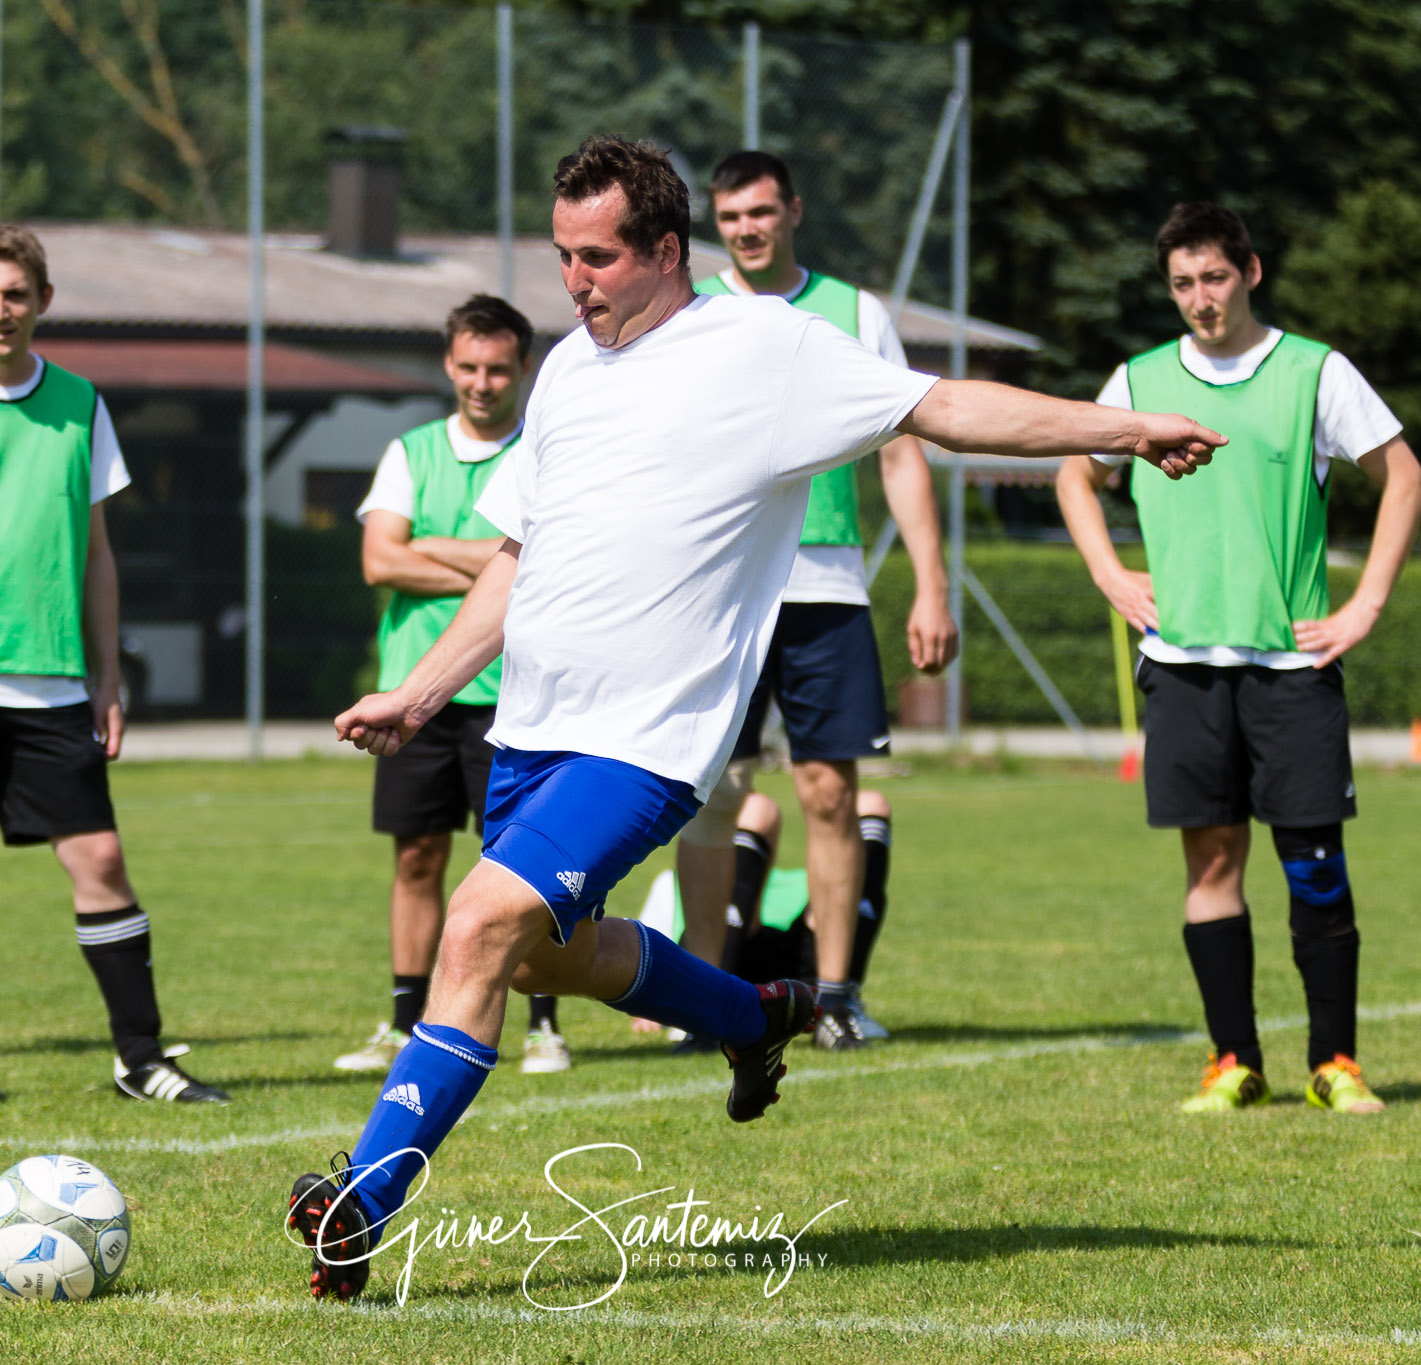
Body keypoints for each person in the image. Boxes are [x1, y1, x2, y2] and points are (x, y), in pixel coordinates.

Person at [284, 134, 1221, 1302]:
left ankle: (357, 1203)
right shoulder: (571, 372)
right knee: (541, 959)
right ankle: (751, 1013)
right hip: (529, 726)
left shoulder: (765, 350)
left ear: (664, 250)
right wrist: (422, 694)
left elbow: (945, 408)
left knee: (475, 928)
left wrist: (1122, 429)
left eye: (597, 258)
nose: (573, 283)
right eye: (563, 257)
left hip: (647, 740)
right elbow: (516, 562)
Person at [1054, 202, 1421, 1116]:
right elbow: (1073, 469)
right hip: (1182, 664)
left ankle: (1335, 1061)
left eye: (1213, 278)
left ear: (1250, 272)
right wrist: (1110, 571)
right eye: (1182, 283)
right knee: (1211, 866)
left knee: (1313, 864)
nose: (1199, 300)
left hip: (1292, 669)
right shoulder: (1139, 380)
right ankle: (1233, 1061)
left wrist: (1364, 604)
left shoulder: (1313, 372)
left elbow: (1404, 477)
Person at [0, 224, 224, 1106]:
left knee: (99, 858)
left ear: (42, 301)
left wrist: (107, 680)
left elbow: (97, 554)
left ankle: (141, 1058)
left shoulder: (80, 404)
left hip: (53, 686)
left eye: (14, 293)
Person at [666, 149, 956, 1051]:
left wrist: (932, 585)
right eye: (732, 216)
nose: (748, 228)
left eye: (761, 211)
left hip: (827, 589)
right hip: (722, 587)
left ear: (793, 209)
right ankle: (700, 1000)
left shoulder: (855, 313)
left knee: (830, 790)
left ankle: (836, 996)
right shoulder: (694, 311)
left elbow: (903, 449)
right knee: (709, 793)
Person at [337, 294, 572, 1078]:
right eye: (468, 366)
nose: (482, 382)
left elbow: (552, 565)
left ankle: (545, 1025)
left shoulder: (546, 452)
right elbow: (378, 561)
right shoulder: (410, 451)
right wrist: (489, 559)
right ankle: (404, 1018)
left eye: (498, 368)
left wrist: (429, 547)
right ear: (448, 364)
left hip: (519, 696)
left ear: (523, 369)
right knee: (416, 857)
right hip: (419, 694)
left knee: (525, 867)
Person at [636, 788, 896, 994]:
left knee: (871, 803)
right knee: (757, 809)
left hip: (809, 959)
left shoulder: (812, 880)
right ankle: (703, 995)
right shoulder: (681, 880)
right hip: (733, 961)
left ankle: (837, 998)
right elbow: (647, 942)